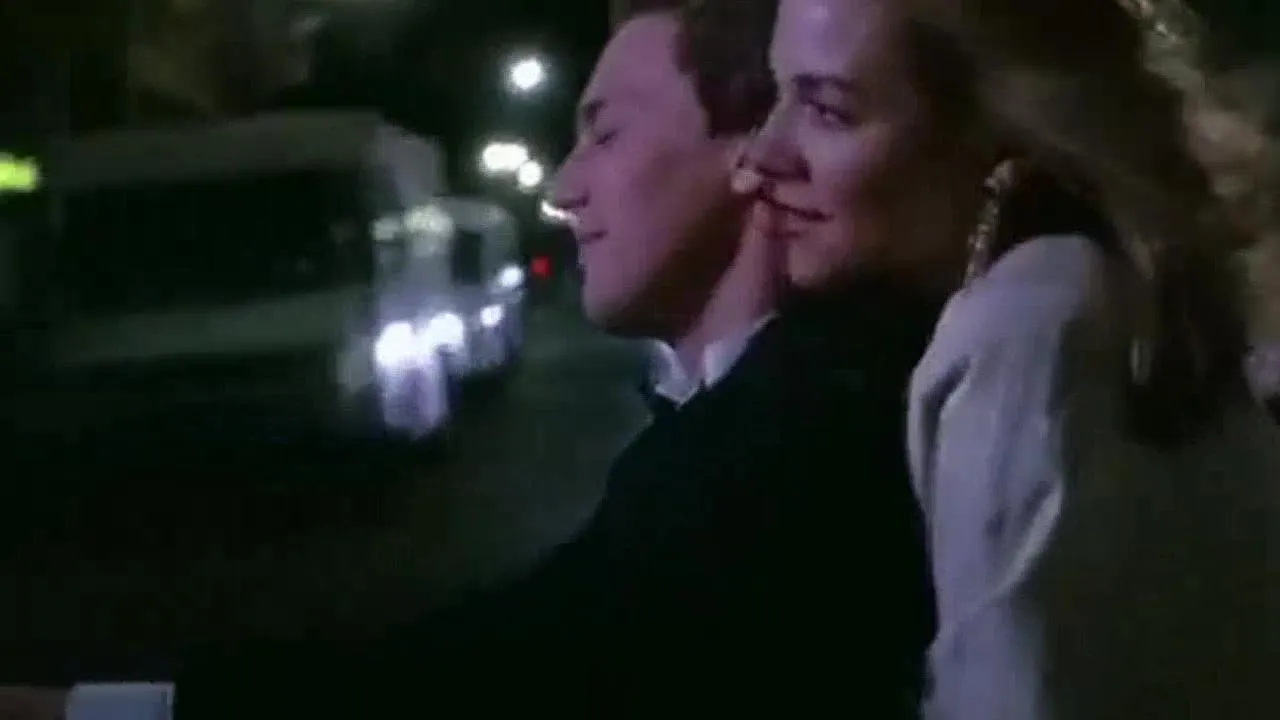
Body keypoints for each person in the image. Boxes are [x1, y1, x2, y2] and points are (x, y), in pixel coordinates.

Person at [160, 0, 940, 717]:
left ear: (754, 147)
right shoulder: (773, 406)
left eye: (606, 134)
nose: (565, 188)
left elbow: (521, 669)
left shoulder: (803, 443)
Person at [734, 0, 1280, 717]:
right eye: (777, 95)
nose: (759, 158)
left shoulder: (1030, 327)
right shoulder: (1116, 302)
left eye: (829, 111)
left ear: (993, 132)